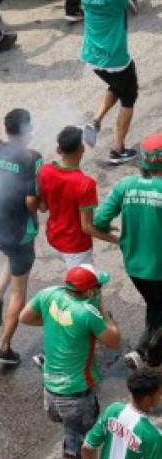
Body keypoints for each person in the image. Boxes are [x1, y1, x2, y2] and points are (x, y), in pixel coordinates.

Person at [15, 265, 122, 459]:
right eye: (98, 286)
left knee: (93, 445)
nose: (100, 290)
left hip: (51, 392)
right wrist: (104, 310)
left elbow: (25, 317)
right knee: (77, 457)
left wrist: (57, 323)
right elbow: (115, 340)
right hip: (76, 398)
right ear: (89, 290)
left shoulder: (50, 294)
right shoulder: (88, 313)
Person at [93, 134, 162, 369]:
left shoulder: (125, 185)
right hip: (159, 268)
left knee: (155, 305)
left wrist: (118, 238)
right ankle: (144, 352)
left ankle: (151, 355)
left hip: (134, 266)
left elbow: (99, 220)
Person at [0, 108, 42, 365]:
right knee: (20, 292)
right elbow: (31, 200)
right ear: (27, 130)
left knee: (10, 257)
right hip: (19, 231)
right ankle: (3, 347)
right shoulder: (32, 159)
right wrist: (37, 217)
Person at [78, 0, 149, 166]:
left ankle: (95, 121)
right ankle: (118, 149)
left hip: (92, 58)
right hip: (116, 60)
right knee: (129, 95)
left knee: (116, 85)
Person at [35, 126, 116, 270]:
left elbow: (42, 207)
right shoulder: (85, 184)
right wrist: (118, 240)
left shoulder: (44, 171)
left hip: (54, 237)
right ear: (82, 149)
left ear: (58, 150)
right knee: (85, 290)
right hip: (76, 248)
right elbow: (87, 227)